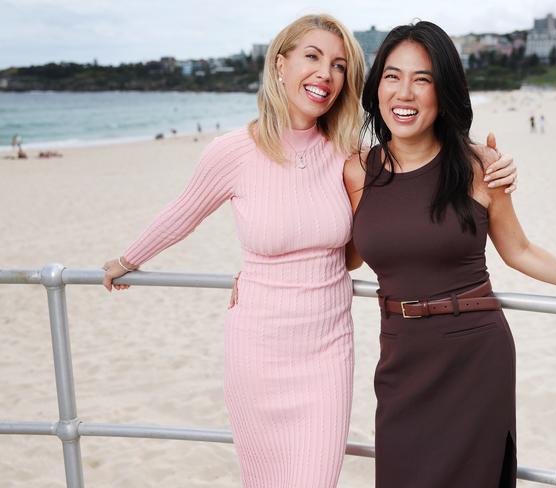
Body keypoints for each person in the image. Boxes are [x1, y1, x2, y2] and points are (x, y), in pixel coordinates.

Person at [102, 15, 517, 487]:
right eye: (312, 57)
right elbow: (182, 212)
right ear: (280, 65)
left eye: (339, 66)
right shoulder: (232, 151)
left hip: (327, 347)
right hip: (256, 343)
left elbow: (391, 211)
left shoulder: (350, 155)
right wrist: (127, 260)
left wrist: (487, 160)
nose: (325, 74)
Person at [343, 21, 556, 488]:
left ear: (443, 90)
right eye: (392, 75)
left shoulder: (480, 168)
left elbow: (520, 251)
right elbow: (348, 259)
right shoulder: (356, 171)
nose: (404, 93)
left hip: (474, 356)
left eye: (422, 79)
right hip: (400, 361)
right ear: (376, 85)